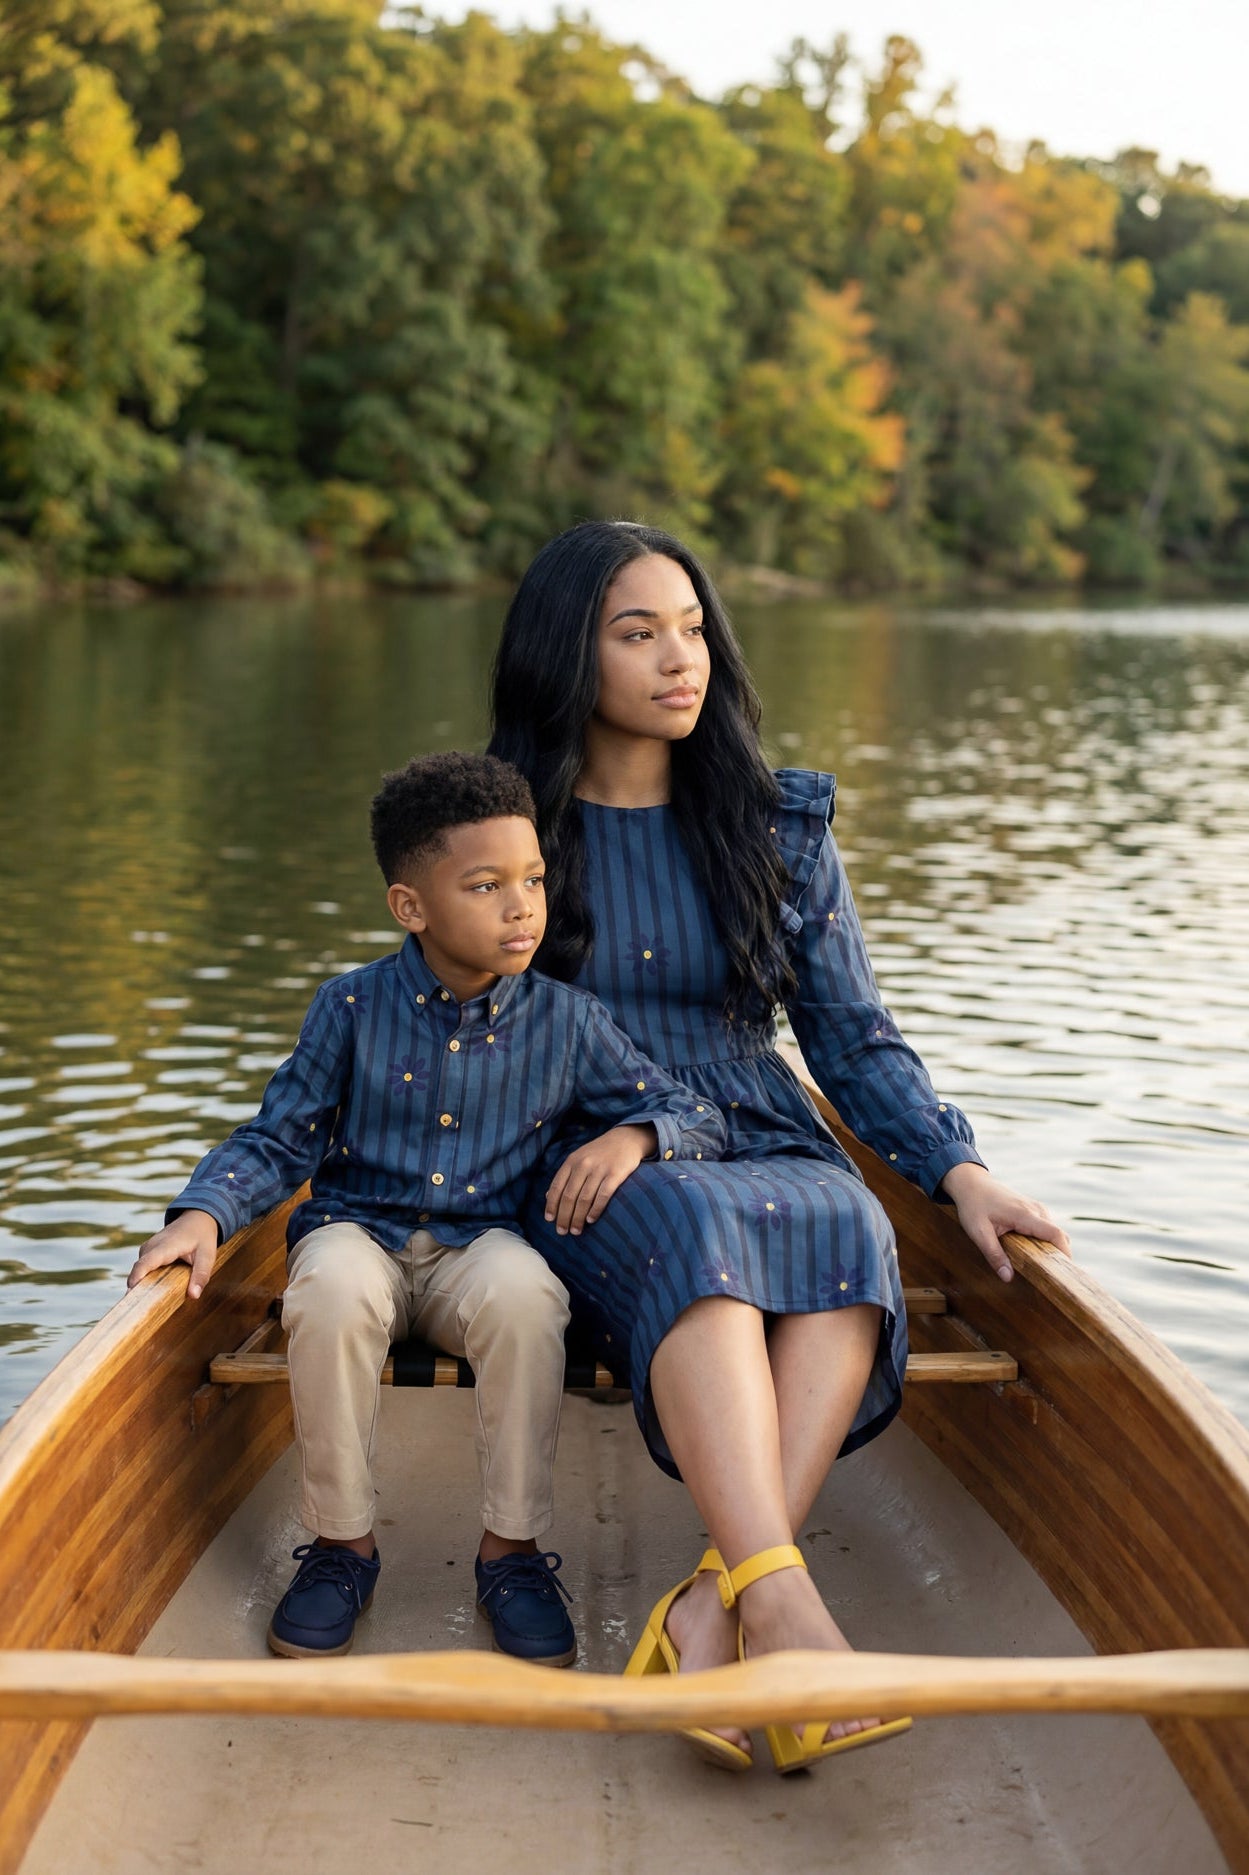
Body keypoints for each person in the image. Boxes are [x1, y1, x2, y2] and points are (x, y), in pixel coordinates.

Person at [489, 520, 1071, 1771]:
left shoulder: (777, 827)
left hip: (756, 1119)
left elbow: (853, 1039)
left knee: (845, 1219)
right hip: (584, 1148)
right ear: (564, 655)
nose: (678, 658)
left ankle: (716, 1603)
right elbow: (452, 1025)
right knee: (704, 1230)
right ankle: (790, 1606)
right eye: (636, 633)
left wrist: (956, 1169)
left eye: (693, 628)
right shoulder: (508, 833)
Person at [127, 751, 723, 1668]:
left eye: (532, 879)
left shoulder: (565, 1020)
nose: (522, 906)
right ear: (412, 906)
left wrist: (633, 1136)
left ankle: (512, 1553)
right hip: (358, 1231)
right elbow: (280, 1138)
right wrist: (204, 1213)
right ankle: (340, 1545)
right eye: (485, 886)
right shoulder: (351, 1007)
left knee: (530, 1301)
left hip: (484, 1244)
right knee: (323, 1296)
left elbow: (694, 1111)